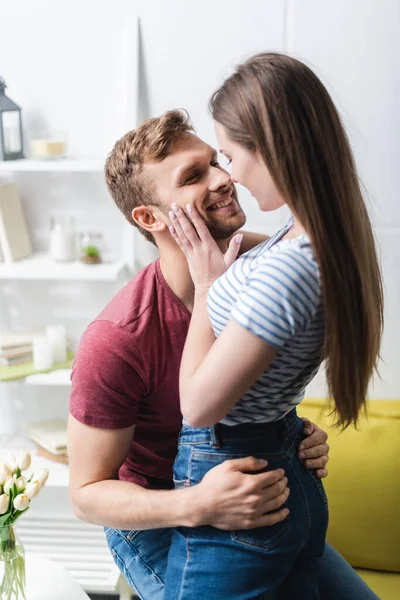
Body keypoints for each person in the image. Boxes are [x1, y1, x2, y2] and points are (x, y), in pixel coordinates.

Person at [68, 109, 380, 600]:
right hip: (158, 519)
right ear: (150, 218)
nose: (224, 178)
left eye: (216, 161)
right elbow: (86, 497)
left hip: (251, 495)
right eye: (194, 176)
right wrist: (198, 504)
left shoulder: (265, 264)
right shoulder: (118, 338)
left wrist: (294, 432)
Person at [162, 53, 383, 599]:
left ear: (273, 148)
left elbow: (197, 405)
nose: (228, 175)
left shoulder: (292, 266)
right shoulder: (310, 235)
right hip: (282, 471)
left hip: (238, 478)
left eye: (231, 156)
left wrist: (209, 287)